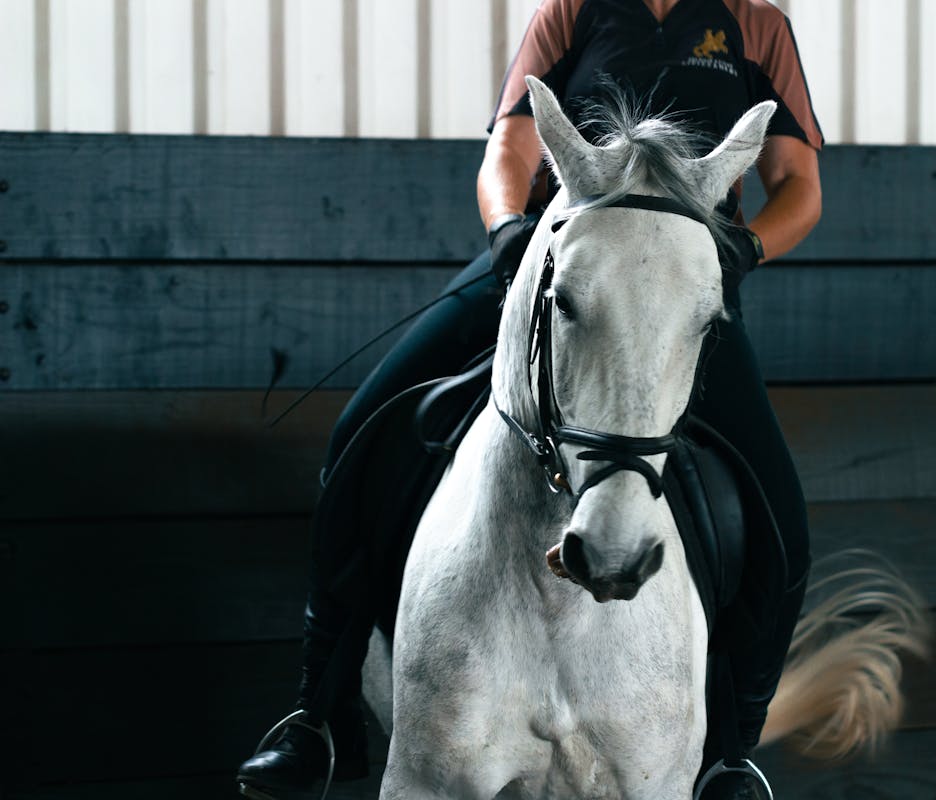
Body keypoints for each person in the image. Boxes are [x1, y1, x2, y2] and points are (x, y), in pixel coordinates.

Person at [236, 0, 823, 797]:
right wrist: (510, 231)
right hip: (551, 264)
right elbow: (509, 149)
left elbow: (799, 185)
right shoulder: (571, 12)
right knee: (360, 429)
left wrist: (740, 250)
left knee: (779, 510)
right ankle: (316, 713)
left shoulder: (757, 27)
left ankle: (730, 753)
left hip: (679, 289)